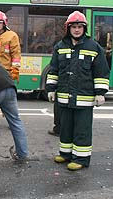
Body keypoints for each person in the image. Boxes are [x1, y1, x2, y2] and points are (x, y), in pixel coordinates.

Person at [46, 11, 110, 171]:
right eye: (73, 26)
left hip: (84, 98)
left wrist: (100, 93)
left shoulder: (93, 47)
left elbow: (101, 71)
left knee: (82, 129)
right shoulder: (60, 47)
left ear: (84, 28)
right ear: (68, 28)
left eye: (79, 27)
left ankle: (81, 159)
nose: (76, 29)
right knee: (65, 127)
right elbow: (53, 69)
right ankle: (66, 154)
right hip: (64, 98)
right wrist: (51, 89)